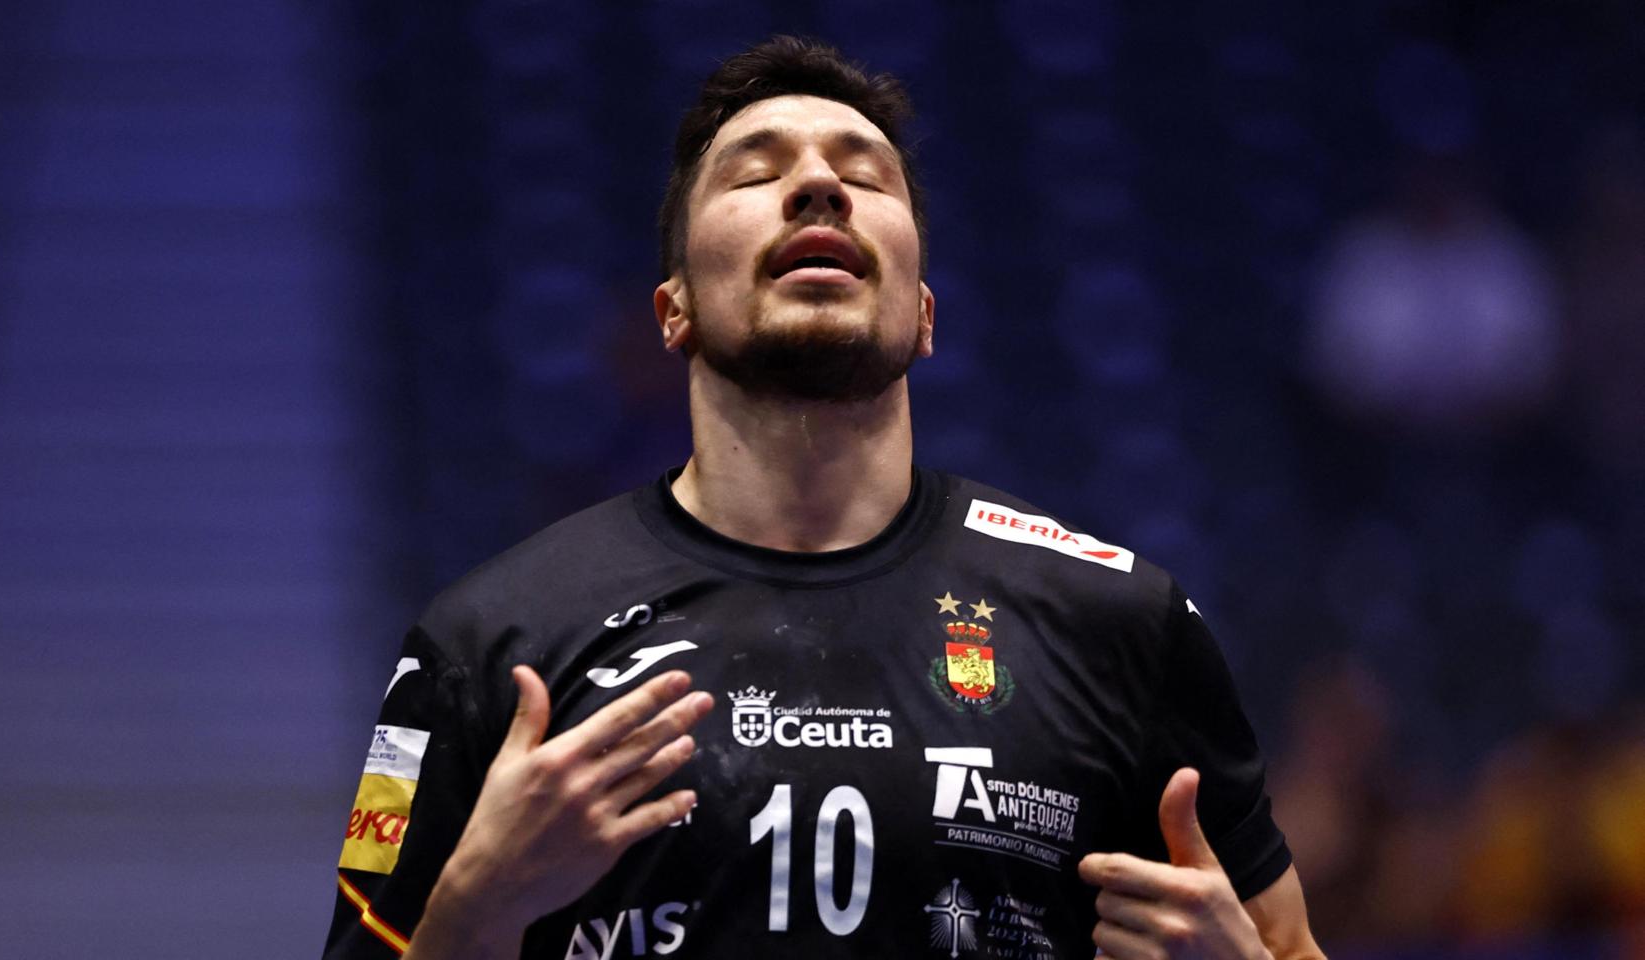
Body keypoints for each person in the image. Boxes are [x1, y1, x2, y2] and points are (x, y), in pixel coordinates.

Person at [323, 36, 1325, 960]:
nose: (817, 186)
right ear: (672, 309)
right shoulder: (481, 643)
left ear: (923, 315)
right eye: (755, 173)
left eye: (864, 174)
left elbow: (1288, 946)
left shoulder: (1124, 623)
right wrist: (476, 909)